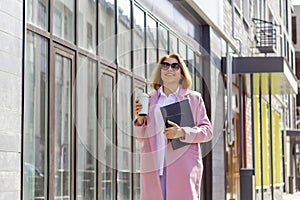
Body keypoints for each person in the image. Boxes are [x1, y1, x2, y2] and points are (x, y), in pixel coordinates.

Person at [133, 53, 213, 200]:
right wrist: (139, 120)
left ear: (181, 72)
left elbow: (207, 131)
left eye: (175, 66)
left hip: (182, 166)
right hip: (154, 165)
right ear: (160, 71)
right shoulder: (149, 99)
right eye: (165, 65)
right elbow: (141, 138)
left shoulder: (193, 98)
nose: (169, 69)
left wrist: (182, 132)